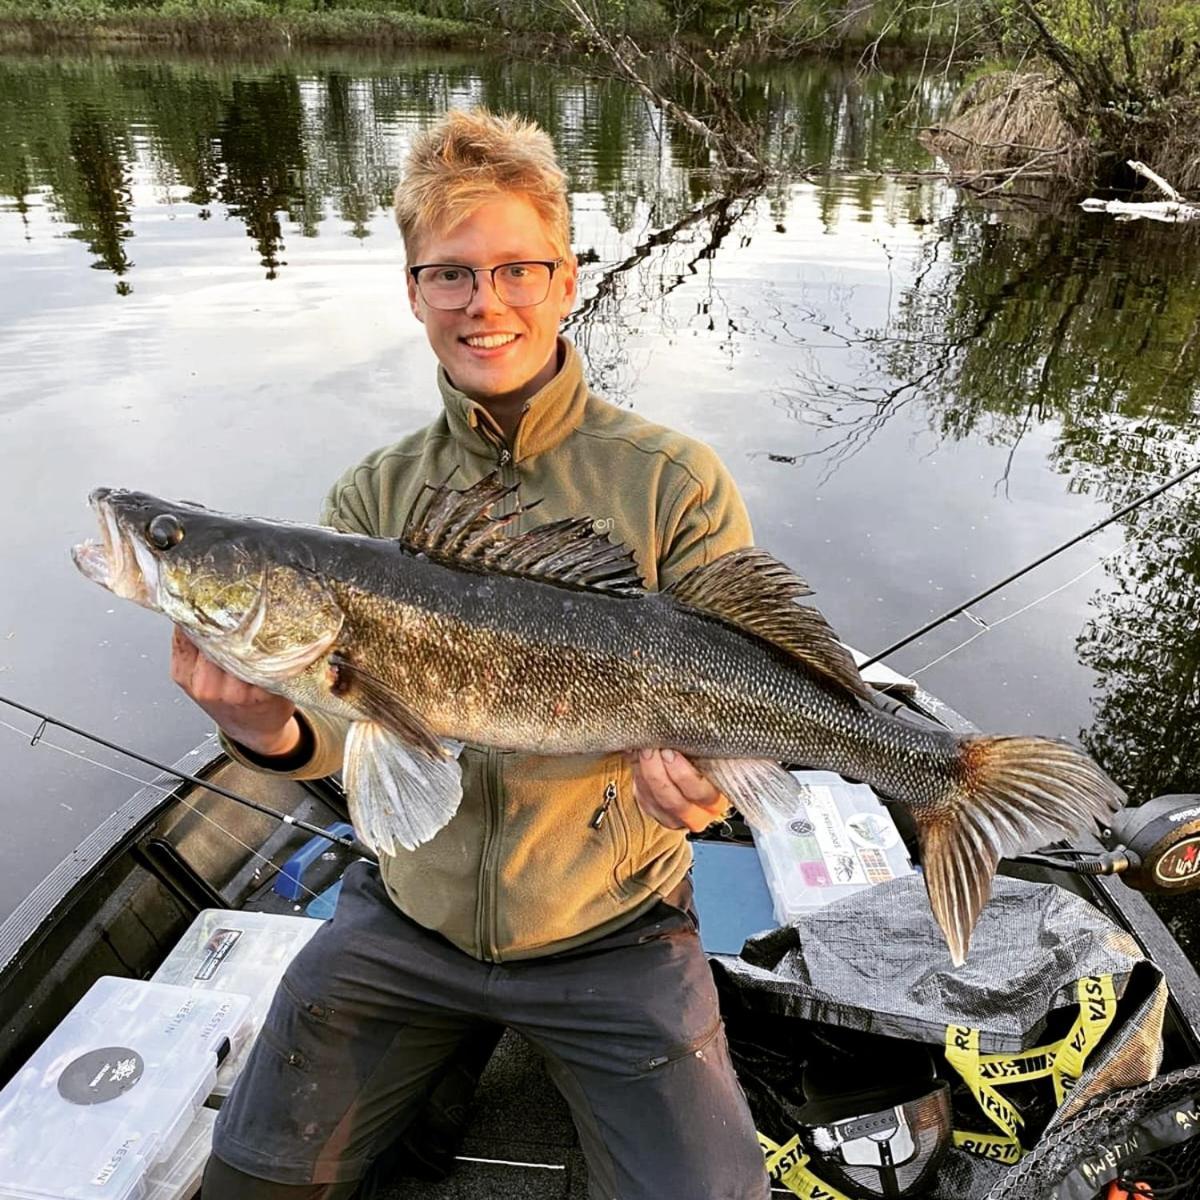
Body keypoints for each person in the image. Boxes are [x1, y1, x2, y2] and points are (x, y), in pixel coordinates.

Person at [180, 107, 770, 1200]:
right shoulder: (371, 500)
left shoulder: (673, 481)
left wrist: (701, 799)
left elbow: (736, 706)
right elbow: (351, 745)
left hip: (613, 931)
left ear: (568, 279)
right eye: (449, 274)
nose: (483, 303)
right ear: (411, 291)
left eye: (516, 269)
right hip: (410, 918)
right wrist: (262, 726)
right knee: (249, 1187)